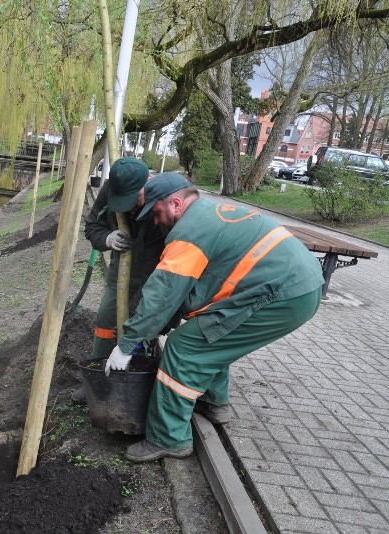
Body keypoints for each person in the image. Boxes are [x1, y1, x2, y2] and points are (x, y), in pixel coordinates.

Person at [104, 172, 324, 462]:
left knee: (185, 348)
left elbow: (162, 295)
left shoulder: (188, 235)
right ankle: (213, 403)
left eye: (156, 213)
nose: (154, 221)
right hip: (299, 285)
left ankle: (169, 439)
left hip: (283, 294)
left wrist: (128, 342)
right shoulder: (209, 213)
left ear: (176, 204)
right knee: (209, 331)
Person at [73, 156, 165, 404]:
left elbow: (157, 262)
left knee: (142, 327)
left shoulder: (159, 201)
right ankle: (96, 381)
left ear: (144, 187)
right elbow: (92, 226)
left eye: (132, 201)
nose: (126, 208)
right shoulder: (109, 190)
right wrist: (107, 238)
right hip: (120, 273)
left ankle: (136, 384)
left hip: (152, 273)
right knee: (105, 320)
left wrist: (138, 307)